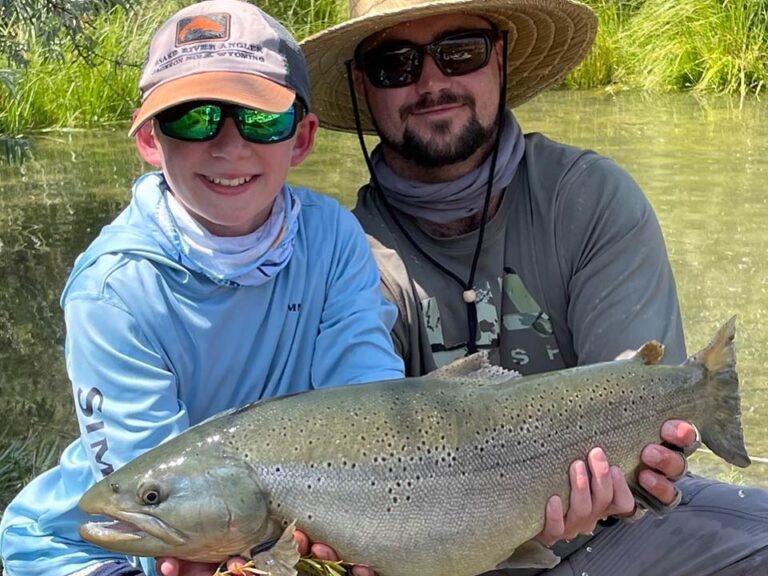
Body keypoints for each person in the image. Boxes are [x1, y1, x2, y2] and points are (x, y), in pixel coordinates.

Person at [299, 0, 768, 574]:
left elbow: (641, 399)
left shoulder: (590, 199)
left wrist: (653, 465)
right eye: (395, 64)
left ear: (498, 57)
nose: (431, 81)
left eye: (459, 51)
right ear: (361, 85)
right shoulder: (345, 258)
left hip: (614, 535)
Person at [0, 2, 405, 576]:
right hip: (89, 548)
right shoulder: (113, 291)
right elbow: (155, 502)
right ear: (148, 138)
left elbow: (373, 411)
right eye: (194, 117)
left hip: (255, 524)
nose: (229, 145)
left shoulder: (332, 236)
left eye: (261, 118)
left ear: (302, 137)